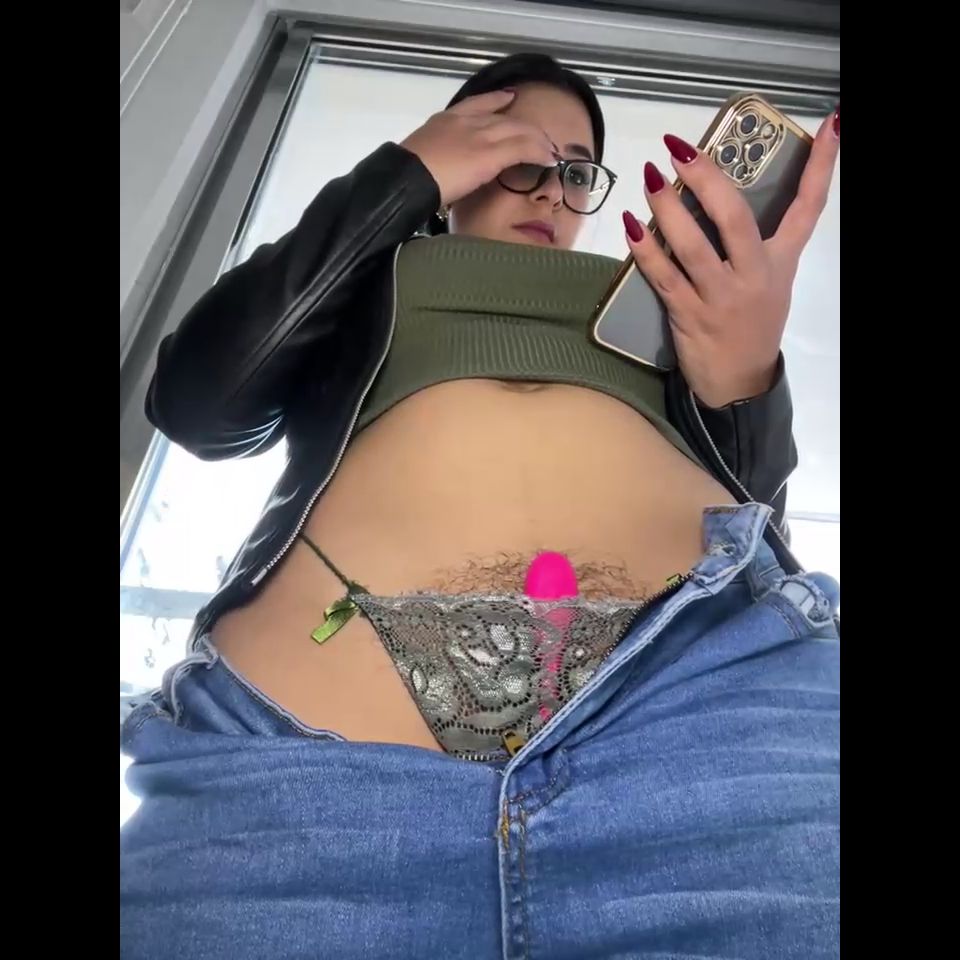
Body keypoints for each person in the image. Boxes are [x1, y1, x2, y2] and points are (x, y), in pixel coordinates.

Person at [120, 53, 840, 959]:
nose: (550, 190)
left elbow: (753, 524)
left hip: (707, 742)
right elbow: (199, 407)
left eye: (575, 171)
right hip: (310, 770)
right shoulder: (367, 280)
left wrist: (747, 373)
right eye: (517, 154)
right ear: (455, 156)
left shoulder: (666, 310)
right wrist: (400, 178)